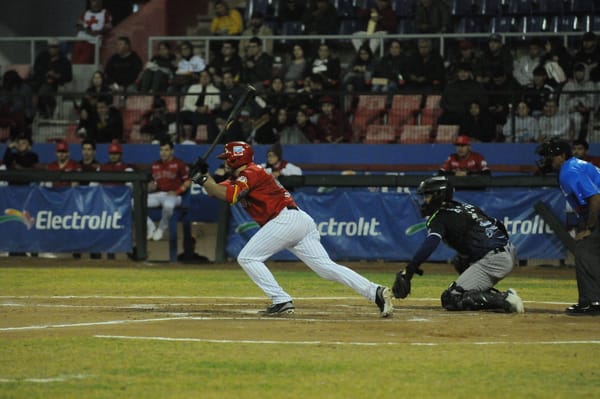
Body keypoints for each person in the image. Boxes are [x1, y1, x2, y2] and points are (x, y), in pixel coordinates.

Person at [190, 141, 394, 317]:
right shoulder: (241, 177)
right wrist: (203, 177)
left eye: (227, 158)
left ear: (236, 159)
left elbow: (229, 196)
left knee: (247, 257)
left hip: (284, 220)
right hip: (297, 220)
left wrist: (204, 177)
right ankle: (375, 291)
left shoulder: (252, 172)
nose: (225, 162)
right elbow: (217, 190)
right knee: (326, 268)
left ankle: (281, 300)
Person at [391, 176, 524, 313]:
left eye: (427, 196)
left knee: (451, 298)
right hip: (507, 250)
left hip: (494, 260)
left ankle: (505, 300)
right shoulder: (466, 206)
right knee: (461, 261)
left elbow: (431, 243)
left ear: (439, 195)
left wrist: (410, 269)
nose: (424, 201)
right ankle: (490, 293)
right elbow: (498, 224)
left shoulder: (439, 216)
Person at [535, 138, 600, 315]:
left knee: (586, 252)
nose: (547, 160)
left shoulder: (569, 170)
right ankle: (588, 301)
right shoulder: (572, 166)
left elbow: (595, 198)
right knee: (584, 252)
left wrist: (590, 227)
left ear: (562, 155)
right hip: (593, 211)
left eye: (550, 156)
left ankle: (595, 302)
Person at [147, 138, 191, 241]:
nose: (163, 153)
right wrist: (150, 187)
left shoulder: (179, 164)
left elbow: (188, 182)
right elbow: (152, 183)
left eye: (166, 150)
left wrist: (177, 192)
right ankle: (150, 227)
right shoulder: (155, 164)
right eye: (161, 150)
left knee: (168, 205)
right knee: (134, 203)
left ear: (172, 151)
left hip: (175, 196)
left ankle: (161, 229)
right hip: (158, 194)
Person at [32, 38, 73, 118]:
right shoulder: (42, 56)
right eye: (51, 47)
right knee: (28, 90)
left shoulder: (64, 60)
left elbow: (69, 76)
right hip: (40, 81)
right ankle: (36, 114)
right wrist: (46, 74)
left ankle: (46, 112)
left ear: (58, 48)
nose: (53, 49)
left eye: (55, 47)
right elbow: (36, 70)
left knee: (44, 91)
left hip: (55, 84)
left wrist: (57, 75)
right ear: (48, 47)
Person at [179, 70, 221, 140]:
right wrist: (197, 109)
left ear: (210, 78)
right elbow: (187, 102)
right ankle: (181, 139)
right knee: (180, 115)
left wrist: (207, 107)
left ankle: (211, 143)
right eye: (202, 76)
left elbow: (217, 104)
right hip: (192, 111)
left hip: (205, 113)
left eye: (206, 76)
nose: (204, 78)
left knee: (211, 121)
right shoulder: (193, 87)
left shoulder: (215, 90)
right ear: (200, 78)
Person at [560, 63, 595, 141]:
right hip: (568, 112)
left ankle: (581, 141)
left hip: (586, 113)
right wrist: (570, 108)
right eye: (577, 71)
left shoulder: (590, 85)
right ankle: (570, 141)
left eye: (581, 71)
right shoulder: (569, 85)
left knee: (578, 118)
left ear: (585, 73)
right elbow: (562, 102)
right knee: (573, 118)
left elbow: (592, 103)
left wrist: (581, 107)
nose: (578, 73)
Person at [72, 0, 113, 64]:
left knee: (83, 61)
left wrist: (96, 32)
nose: (94, 2)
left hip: (93, 41)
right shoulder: (86, 13)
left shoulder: (105, 13)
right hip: (81, 39)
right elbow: (78, 24)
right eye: (93, 1)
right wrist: (85, 28)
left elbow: (109, 27)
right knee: (74, 60)